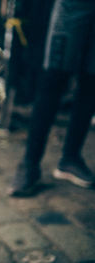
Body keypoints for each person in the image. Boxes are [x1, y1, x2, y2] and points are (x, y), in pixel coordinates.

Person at [8, 0, 95, 196]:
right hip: (74, 7)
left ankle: (71, 159)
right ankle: (29, 165)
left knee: (91, 81)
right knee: (54, 77)